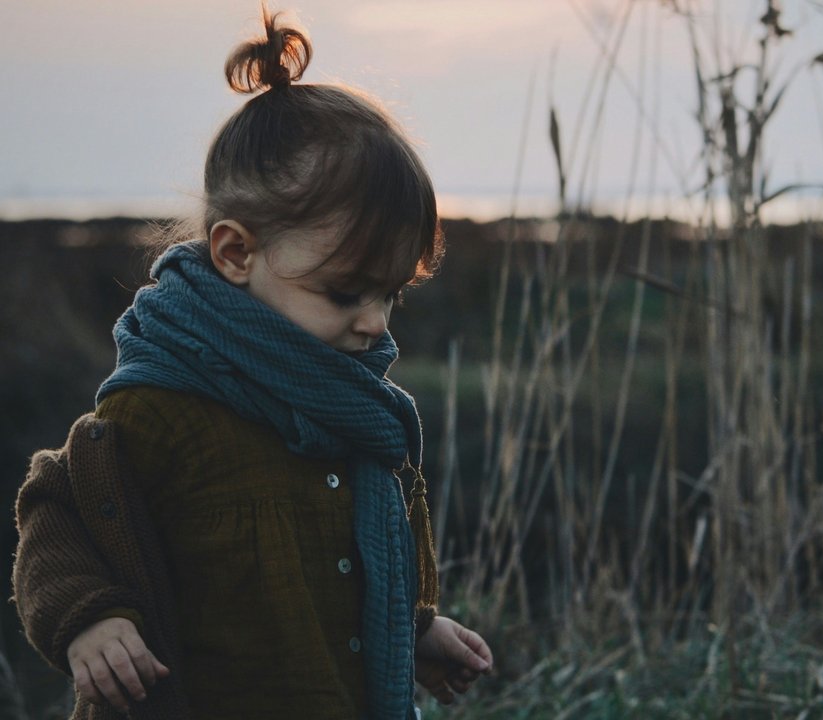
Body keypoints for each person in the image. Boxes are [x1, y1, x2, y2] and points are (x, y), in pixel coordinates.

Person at [11, 7, 491, 719]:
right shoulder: (168, 403)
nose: (374, 322)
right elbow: (56, 507)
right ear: (237, 253)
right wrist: (90, 617)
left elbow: (349, 563)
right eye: (345, 291)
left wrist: (413, 628)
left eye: (391, 294)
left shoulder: (354, 409)